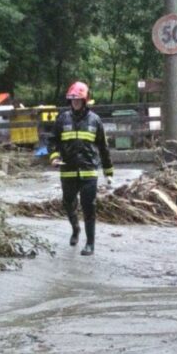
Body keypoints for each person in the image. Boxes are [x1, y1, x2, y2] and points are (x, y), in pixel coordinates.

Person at [48, 81, 114, 256]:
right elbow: (52, 141)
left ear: (85, 100)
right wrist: (54, 157)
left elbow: (103, 147)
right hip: (68, 170)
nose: (75, 103)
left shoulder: (95, 120)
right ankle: (75, 228)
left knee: (89, 207)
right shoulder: (62, 119)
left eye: (78, 100)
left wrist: (108, 171)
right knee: (68, 203)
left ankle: (90, 243)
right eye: (72, 100)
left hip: (89, 171)